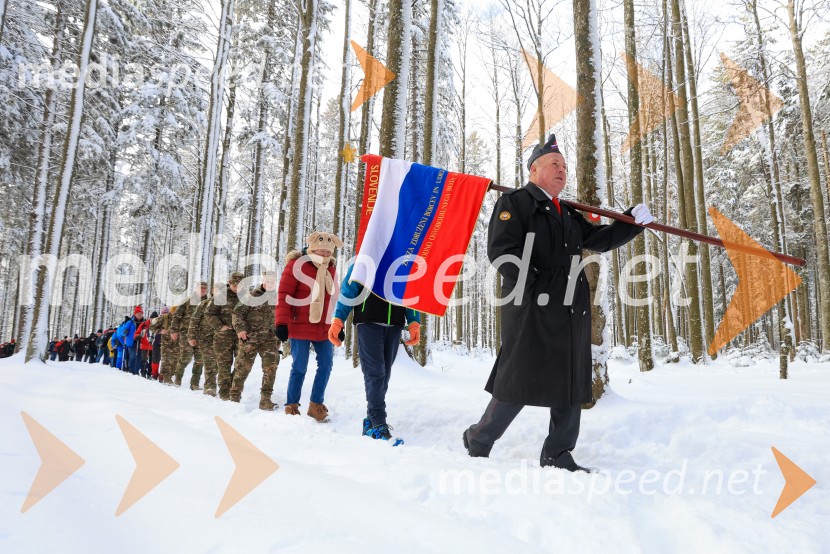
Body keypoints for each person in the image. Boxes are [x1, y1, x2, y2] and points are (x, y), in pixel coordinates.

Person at [462, 134, 653, 472]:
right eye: (554, 164)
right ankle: (479, 438)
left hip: (571, 308)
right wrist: (535, 288)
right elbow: (502, 252)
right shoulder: (516, 203)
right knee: (520, 378)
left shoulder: (568, 213)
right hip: (532, 307)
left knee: (570, 380)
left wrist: (630, 223)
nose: (562, 170)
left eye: (564, 166)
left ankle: (558, 452)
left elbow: (600, 239)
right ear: (534, 169)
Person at [329, 266, 421, 445]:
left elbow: (409, 293)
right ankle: (379, 423)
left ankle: (370, 422)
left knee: (384, 374)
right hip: (368, 321)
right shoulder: (363, 259)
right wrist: (338, 319)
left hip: (394, 323)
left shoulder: (403, 261)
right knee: (375, 373)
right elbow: (348, 292)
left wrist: (413, 321)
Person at [277, 232, 342, 422]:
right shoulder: (297, 265)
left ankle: (316, 405)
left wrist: (338, 325)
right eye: (320, 250)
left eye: (327, 251)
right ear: (312, 247)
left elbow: (334, 300)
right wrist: (282, 323)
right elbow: (284, 295)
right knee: (299, 366)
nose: (323, 253)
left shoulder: (331, 268)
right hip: (300, 324)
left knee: (326, 365)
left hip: (324, 326)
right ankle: (291, 405)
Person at [231, 271, 280, 409]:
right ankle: (234, 396)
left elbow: (283, 318)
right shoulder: (252, 295)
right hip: (250, 338)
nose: (270, 284)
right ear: (263, 280)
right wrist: (240, 330)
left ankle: (265, 400)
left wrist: (280, 336)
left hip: (270, 340)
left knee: (270, 369)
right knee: (242, 369)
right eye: (267, 281)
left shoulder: (278, 298)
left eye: (272, 281)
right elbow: (237, 313)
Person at [204, 272, 245, 400]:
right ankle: (224, 393)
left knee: (241, 365)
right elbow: (209, 313)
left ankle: (233, 389)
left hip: (241, 336)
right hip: (223, 337)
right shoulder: (221, 295)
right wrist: (220, 326)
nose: (237, 288)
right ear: (230, 283)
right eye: (234, 285)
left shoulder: (247, 297)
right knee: (224, 366)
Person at [171, 282, 208, 389]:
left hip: (201, 334)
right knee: (185, 357)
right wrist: (173, 330)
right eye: (201, 288)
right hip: (186, 333)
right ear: (196, 288)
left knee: (200, 360)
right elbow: (176, 316)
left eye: (205, 288)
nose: (203, 290)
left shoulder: (208, 302)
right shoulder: (187, 301)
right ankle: (177, 379)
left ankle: (195, 383)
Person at [188, 284, 222, 395]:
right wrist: (192, 336)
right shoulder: (204, 304)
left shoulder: (226, 305)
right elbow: (194, 320)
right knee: (209, 362)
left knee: (218, 364)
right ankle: (210, 387)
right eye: (216, 290)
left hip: (222, 339)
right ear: (212, 291)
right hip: (206, 338)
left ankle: (221, 387)